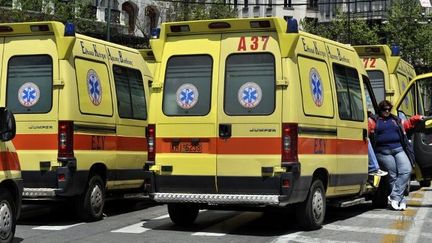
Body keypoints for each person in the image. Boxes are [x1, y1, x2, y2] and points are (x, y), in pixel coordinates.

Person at [368, 100, 423, 211]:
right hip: (383, 152)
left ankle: (395, 197)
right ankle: (400, 200)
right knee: (393, 175)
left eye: (389, 109)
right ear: (380, 109)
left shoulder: (395, 120)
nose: (387, 111)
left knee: (406, 170)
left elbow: (407, 124)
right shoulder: (373, 120)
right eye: (384, 109)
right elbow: (366, 131)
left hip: (398, 149)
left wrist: (417, 118)